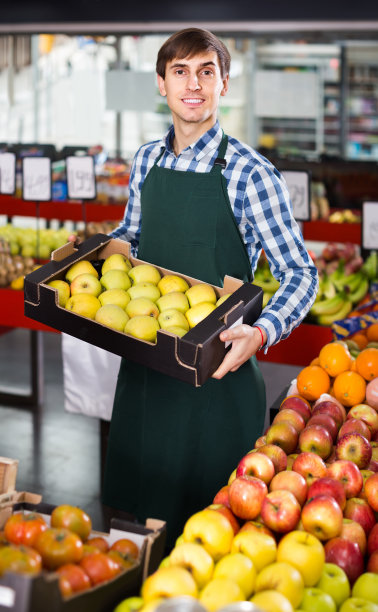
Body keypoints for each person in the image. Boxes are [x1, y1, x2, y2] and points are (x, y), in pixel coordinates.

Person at [100, 28, 318, 547]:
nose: (192, 84)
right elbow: (130, 236)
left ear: (223, 84)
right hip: (147, 374)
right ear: (161, 84)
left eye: (205, 72)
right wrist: (90, 257)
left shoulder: (250, 173)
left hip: (215, 381)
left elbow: (301, 273)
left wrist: (262, 333)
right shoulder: (147, 160)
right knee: (137, 537)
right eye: (180, 71)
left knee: (213, 544)